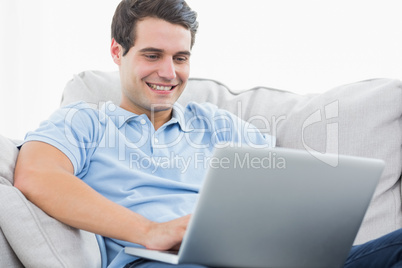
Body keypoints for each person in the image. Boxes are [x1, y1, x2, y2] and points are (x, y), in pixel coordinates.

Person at [13, 0, 402, 267]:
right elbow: (36, 175)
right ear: (117, 52)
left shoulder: (218, 125)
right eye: (152, 55)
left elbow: (282, 188)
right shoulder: (85, 122)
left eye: (180, 58)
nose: (169, 72)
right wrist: (150, 231)